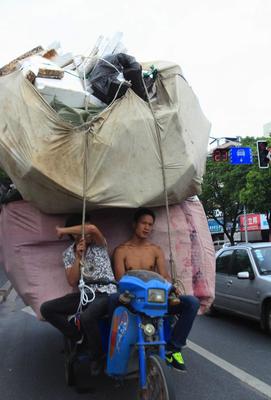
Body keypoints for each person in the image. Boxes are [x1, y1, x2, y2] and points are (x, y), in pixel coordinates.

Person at [113, 207, 200, 372]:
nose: (147, 227)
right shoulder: (121, 251)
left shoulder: (155, 250)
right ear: (134, 224)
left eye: (150, 224)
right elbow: (121, 281)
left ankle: (173, 349)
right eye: (143, 223)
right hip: (133, 301)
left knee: (191, 302)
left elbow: (164, 276)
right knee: (113, 302)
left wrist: (172, 287)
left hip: (156, 299)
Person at [40, 214, 116, 365]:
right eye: (82, 230)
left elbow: (92, 228)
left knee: (87, 317)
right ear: (74, 235)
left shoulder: (99, 244)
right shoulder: (68, 253)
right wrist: (78, 257)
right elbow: (72, 281)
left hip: (105, 292)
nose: (87, 233)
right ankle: (77, 337)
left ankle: (97, 356)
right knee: (47, 309)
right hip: (84, 295)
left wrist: (62, 230)